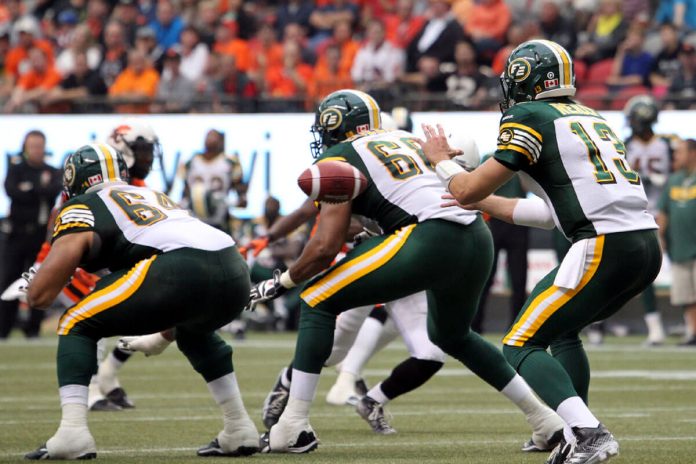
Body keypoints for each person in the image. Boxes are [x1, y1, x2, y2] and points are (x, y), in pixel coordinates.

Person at [247, 89, 563, 453]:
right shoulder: (405, 138)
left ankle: (293, 426)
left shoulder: (339, 155)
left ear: (334, 127)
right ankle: (545, 420)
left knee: (316, 298)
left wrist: (281, 281)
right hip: (476, 235)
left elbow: (324, 247)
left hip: (429, 237)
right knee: (454, 337)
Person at [422, 40, 661, 464]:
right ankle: (576, 429)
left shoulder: (529, 114)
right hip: (642, 243)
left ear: (524, 76)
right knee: (562, 332)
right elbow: (547, 213)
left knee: (519, 343)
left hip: (603, 243)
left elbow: (467, 186)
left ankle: (588, 434)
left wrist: (442, 163)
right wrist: (477, 201)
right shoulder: (590, 116)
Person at [23, 143, 258, 459]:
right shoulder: (151, 195)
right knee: (194, 330)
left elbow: (40, 296)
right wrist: (165, 332)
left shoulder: (83, 205)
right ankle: (239, 428)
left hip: (180, 267)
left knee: (76, 322)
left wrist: (38, 282)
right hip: (233, 267)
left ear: (74, 180)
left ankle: (72, 433)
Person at [0, 130, 63, 339]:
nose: (36, 150)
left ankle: (33, 329)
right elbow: (11, 191)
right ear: (25, 148)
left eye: (39, 146)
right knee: (9, 279)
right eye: (32, 146)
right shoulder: (16, 170)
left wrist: (30, 189)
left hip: (39, 235)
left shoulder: (52, 171)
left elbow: (52, 191)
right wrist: (36, 189)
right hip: (17, 234)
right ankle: (4, 329)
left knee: (40, 280)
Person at [657, 139, 696, 345]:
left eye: (680, 152)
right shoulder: (673, 180)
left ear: (693, 153)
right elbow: (664, 211)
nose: (675, 156)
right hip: (679, 247)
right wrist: (661, 235)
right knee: (686, 295)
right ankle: (692, 332)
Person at [181, 129, 246, 234]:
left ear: (221, 141)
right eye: (208, 136)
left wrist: (239, 200)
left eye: (214, 136)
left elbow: (241, 193)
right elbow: (185, 190)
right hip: (195, 217)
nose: (210, 139)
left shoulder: (230, 162)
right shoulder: (191, 161)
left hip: (220, 216)